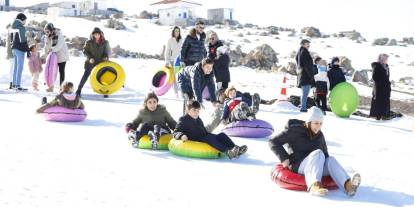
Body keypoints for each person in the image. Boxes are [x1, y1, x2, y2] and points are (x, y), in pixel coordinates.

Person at [269, 106, 361, 197]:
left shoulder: (320, 136)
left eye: (321, 123)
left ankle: (348, 186)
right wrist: (284, 158)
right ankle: (315, 186)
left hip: (315, 166)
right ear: (309, 122)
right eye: (316, 123)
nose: (319, 126)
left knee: (330, 160)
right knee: (318, 153)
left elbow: (325, 155)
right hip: (298, 165)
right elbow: (273, 142)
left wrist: (331, 168)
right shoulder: (294, 131)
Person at [173, 100, 247, 159]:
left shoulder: (198, 119)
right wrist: (182, 135)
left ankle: (235, 148)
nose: (196, 113)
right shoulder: (183, 119)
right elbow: (176, 132)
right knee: (210, 138)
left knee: (221, 135)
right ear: (188, 110)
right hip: (196, 139)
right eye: (194, 110)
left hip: (204, 135)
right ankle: (228, 152)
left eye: (198, 111)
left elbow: (202, 130)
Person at [76, 27, 110, 96]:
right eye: (95, 34)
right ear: (93, 35)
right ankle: (78, 90)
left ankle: (104, 91)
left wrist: (105, 57)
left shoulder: (105, 42)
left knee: (101, 77)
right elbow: (85, 51)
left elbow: (107, 52)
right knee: (85, 76)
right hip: (90, 63)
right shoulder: (89, 42)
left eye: (98, 34)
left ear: (101, 34)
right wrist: (90, 58)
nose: (96, 36)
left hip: (100, 63)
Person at [43, 23, 69, 92]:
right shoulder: (46, 37)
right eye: (45, 32)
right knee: (51, 72)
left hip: (61, 56)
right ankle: (51, 87)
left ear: (51, 30)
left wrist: (51, 49)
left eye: (48, 31)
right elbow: (46, 47)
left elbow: (59, 45)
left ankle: (62, 88)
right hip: (52, 57)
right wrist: (45, 55)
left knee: (61, 72)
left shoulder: (59, 34)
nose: (46, 33)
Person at [10, 13, 29, 91]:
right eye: (25, 20)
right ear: (21, 19)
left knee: (15, 67)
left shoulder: (12, 26)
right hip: (20, 49)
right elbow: (23, 40)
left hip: (14, 49)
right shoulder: (21, 28)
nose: (25, 21)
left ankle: (14, 84)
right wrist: (27, 50)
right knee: (20, 68)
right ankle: (18, 85)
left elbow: (11, 39)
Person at [296, 39, 315, 112]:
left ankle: (302, 105)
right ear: (303, 44)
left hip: (302, 75)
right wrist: (311, 75)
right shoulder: (304, 52)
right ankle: (303, 108)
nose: (309, 45)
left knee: (304, 92)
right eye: (307, 44)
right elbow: (307, 66)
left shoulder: (299, 52)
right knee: (305, 93)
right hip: (305, 75)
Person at [370, 54, 391, 120]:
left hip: (385, 88)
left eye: (387, 59)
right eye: (385, 59)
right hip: (379, 88)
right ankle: (377, 116)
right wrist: (382, 82)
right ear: (382, 59)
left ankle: (384, 115)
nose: (386, 60)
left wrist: (388, 84)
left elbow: (387, 77)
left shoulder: (386, 67)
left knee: (385, 101)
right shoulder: (377, 66)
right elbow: (374, 77)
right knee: (378, 101)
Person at [165, 26, 184, 97]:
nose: (177, 32)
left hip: (180, 61)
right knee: (174, 78)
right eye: (176, 31)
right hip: (172, 61)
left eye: (178, 31)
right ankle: (176, 92)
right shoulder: (170, 40)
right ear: (173, 32)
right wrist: (167, 61)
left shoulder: (182, 40)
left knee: (180, 77)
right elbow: (167, 51)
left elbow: (184, 51)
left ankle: (182, 91)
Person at [6, 24, 14, 89]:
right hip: (12, 54)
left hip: (10, 54)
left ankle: (11, 83)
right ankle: (12, 83)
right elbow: (10, 45)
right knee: (12, 69)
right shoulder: (10, 34)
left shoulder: (9, 34)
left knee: (12, 69)